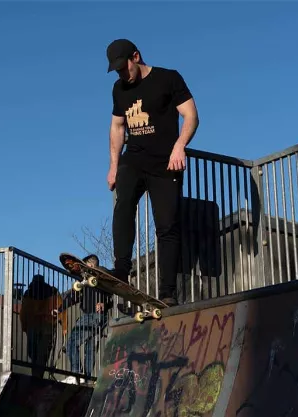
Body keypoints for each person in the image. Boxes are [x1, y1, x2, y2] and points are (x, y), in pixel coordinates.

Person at [105, 38, 199, 307]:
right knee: (123, 205)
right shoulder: (118, 89)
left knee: (167, 225)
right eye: (117, 71)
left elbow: (191, 116)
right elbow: (117, 127)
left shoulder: (168, 79)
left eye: (125, 68)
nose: (123, 75)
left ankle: (167, 292)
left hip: (165, 163)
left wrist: (180, 147)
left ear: (136, 57)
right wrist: (113, 166)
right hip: (134, 159)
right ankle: (122, 270)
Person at [57, 254, 113, 378]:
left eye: (86, 265)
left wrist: (105, 303)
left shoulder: (101, 276)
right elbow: (73, 297)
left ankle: (77, 373)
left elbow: (111, 296)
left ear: (92, 264)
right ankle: (86, 378)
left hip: (94, 316)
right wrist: (59, 309)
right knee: (90, 348)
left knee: (71, 343)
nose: (84, 268)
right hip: (97, 318)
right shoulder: (84, 281)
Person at [19, 273, 66, 379]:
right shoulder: (52, 291)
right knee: (43, 353)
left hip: (33, 326)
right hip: (47, 325)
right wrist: (64, 327)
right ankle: (38, 376)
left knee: (33, 354)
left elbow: (23, 313)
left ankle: (35, 376)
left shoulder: (28, 292)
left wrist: (24, 327)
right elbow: (62, 309)